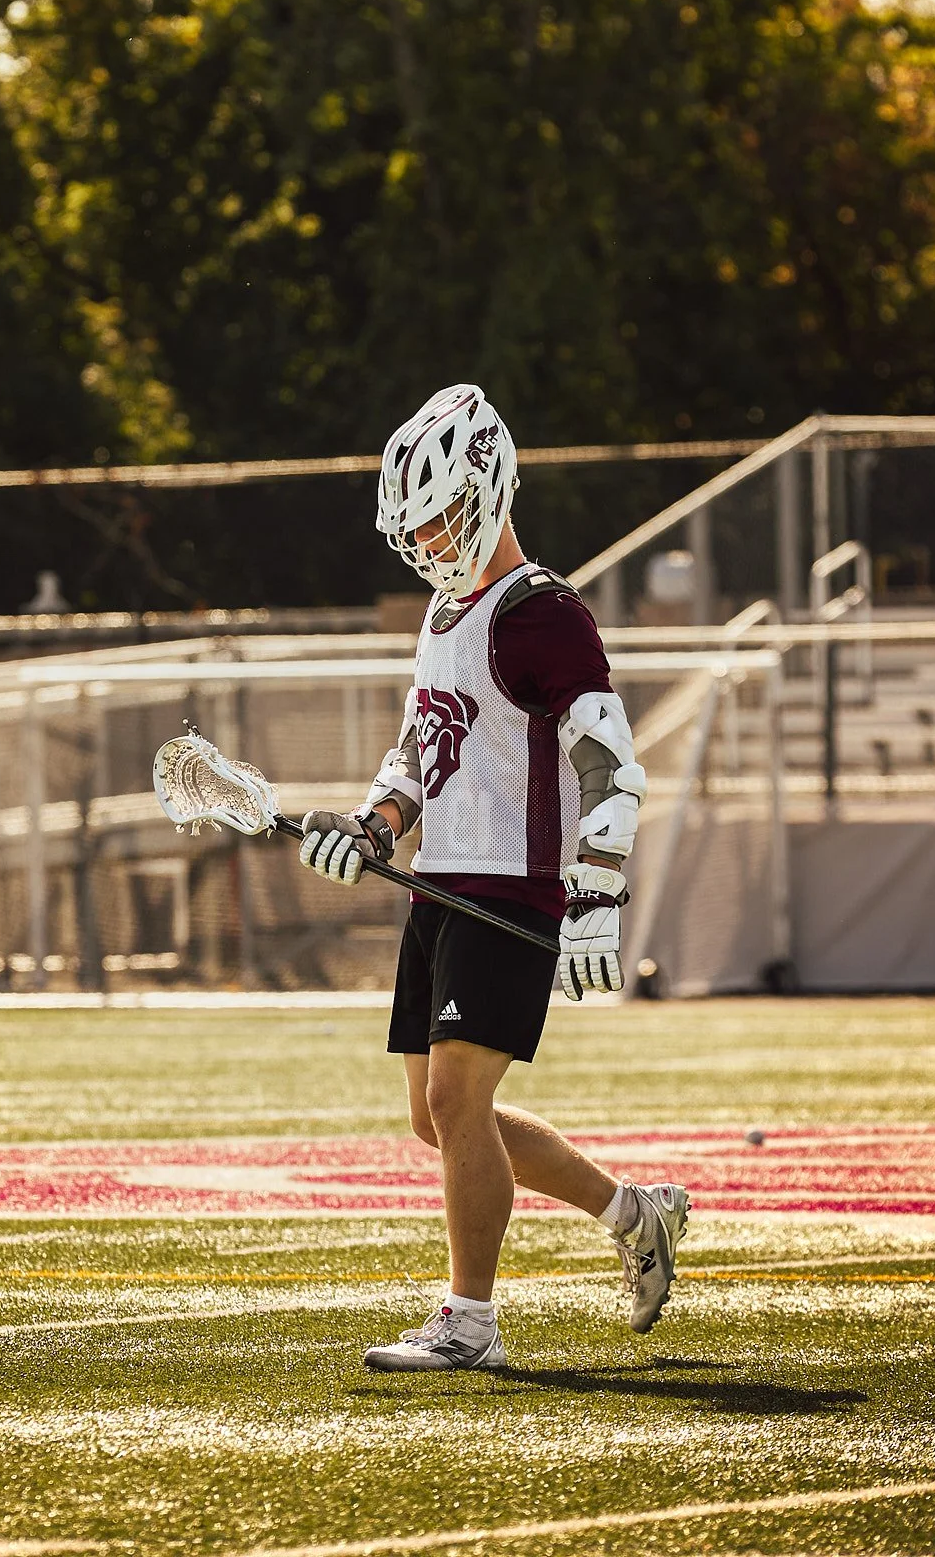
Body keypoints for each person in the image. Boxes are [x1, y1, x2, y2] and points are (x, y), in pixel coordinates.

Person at [298, 384, 688, 1371]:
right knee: (434, 1117)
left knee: (462, 1102)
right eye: (413, 522)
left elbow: (613, 765)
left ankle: (469, 1321)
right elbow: (416, 752)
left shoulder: (544, 612)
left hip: (512, 891)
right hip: (441, 886)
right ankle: (632, 1209)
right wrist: (372, 826)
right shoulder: (444, 612)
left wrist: (597, 889)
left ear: (487, 488)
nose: (426, 535)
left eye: (439, 512)